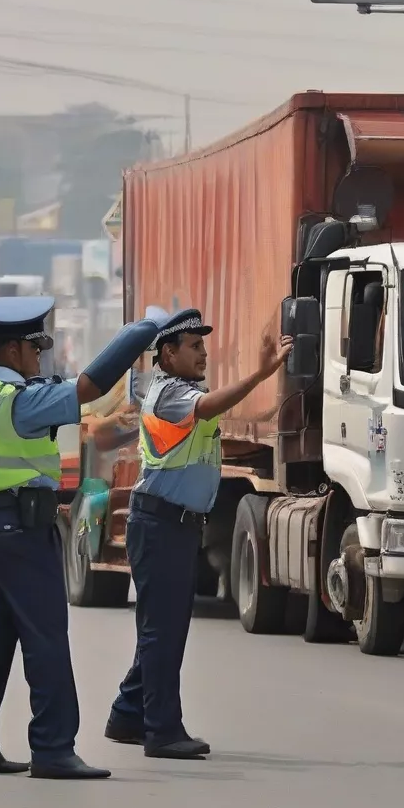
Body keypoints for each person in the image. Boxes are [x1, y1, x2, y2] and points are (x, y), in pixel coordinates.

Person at [0, 295, 163, 779]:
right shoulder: (22, 400)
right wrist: (141, 332)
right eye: (35, 348)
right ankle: (52, 747)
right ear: (13, 350)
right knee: (45, 634)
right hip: (23, 530)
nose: (39, 357)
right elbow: (89, 386)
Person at [105, 308, 292, 760]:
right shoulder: (169, 394)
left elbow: (215, 411)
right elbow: (208, 408)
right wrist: (259, 373)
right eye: (194, 346)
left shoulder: (185, 392)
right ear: (168, 354)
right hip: (160, 524)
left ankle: (128, 714)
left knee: (161, 629)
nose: (204, 353)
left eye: (204, 345)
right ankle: (162, 731)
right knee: (163, 633)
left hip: (174, 525)